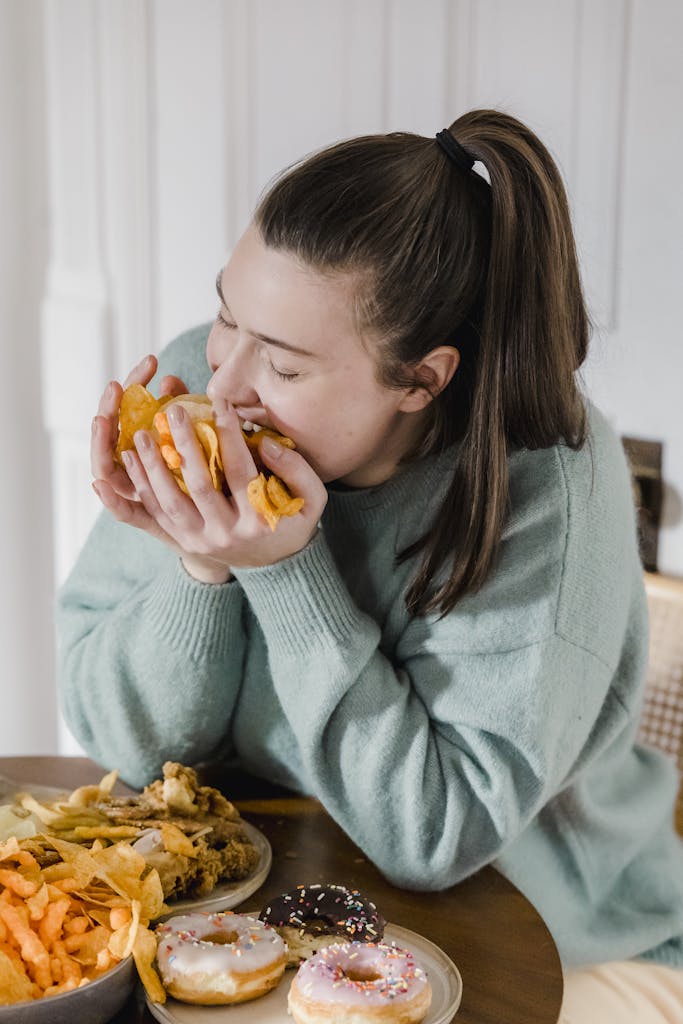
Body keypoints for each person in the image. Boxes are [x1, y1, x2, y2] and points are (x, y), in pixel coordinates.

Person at [57, 109, 683, 1021]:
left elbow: (435, 836)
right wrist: (199, 570)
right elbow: (127, 753)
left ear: (420, 380)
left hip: (558, 937)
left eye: (281, 363)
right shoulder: (212, 374)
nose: (221, 385)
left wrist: (283, 569)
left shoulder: (544, 488)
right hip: (275, 903)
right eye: (228, 316)